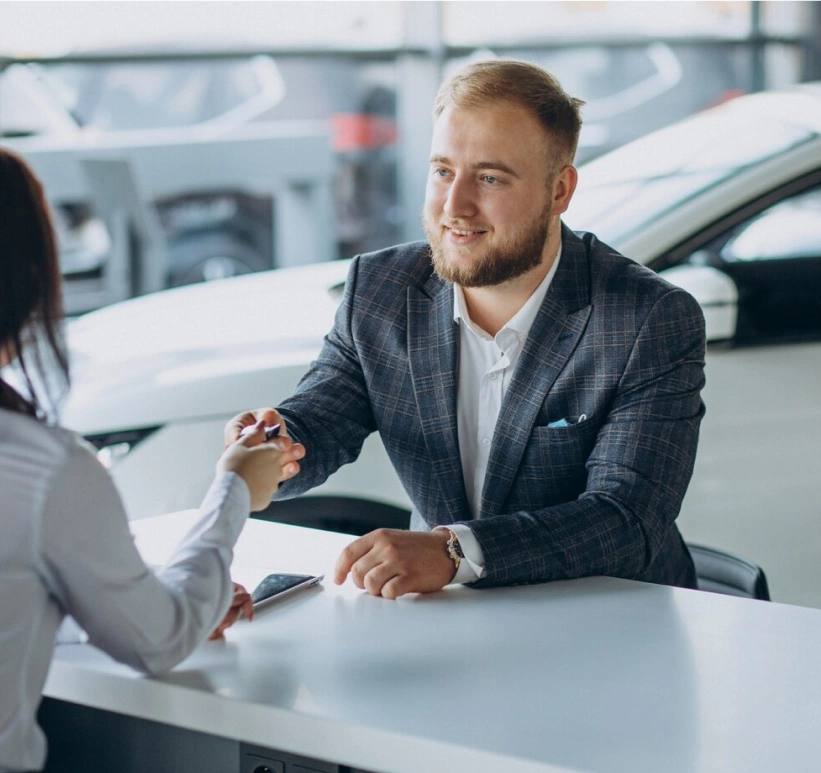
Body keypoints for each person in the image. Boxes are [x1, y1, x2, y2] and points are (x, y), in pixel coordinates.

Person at [226, 59, 706, 600]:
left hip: (614, 618)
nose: (455, 207)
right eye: (442, 172)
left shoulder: (649, 318)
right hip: (451, 614)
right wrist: (274, 445)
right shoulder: (381, 289)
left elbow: (627, 520)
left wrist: (454, 552)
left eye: (490, 178)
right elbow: (320, 420)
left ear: (559, 190)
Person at [0, 148, 304, 773]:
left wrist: (141, 598)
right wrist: (233, 491)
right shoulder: (42, 468)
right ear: (28, 278)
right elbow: (159, 638)